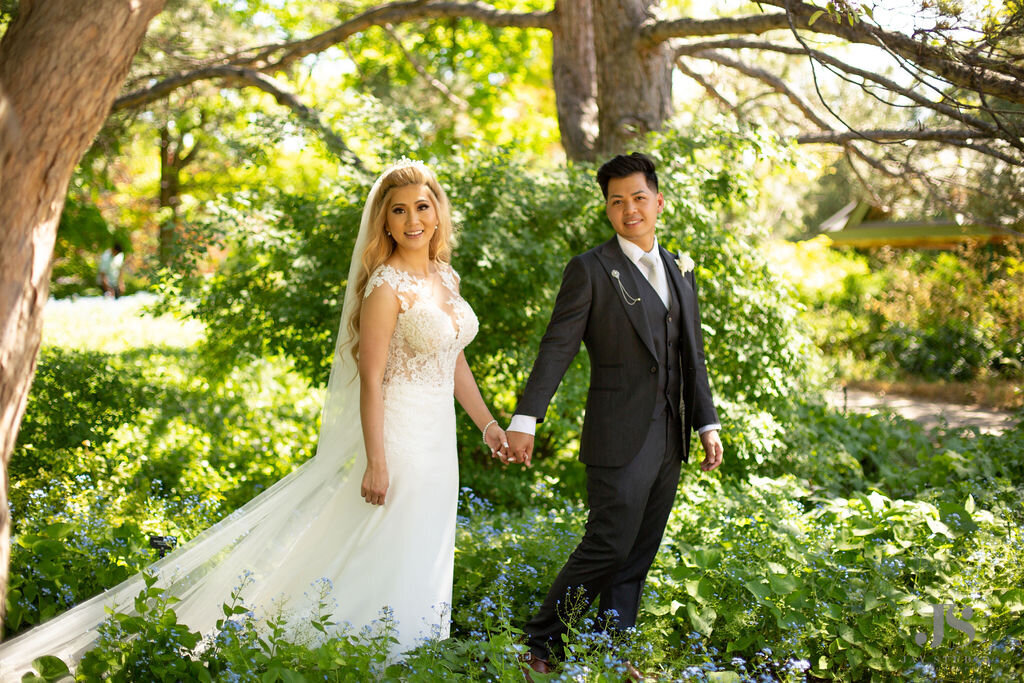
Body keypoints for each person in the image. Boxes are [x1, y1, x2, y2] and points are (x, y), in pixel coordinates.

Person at [0, 160, 509, 677]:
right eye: (398, 211)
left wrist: (488, 425)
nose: (412, 220)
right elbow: (372, 380)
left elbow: (453, 361)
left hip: (439, 444)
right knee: (381, 542)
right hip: (397, 438)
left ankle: (415, 652)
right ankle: (350, 651)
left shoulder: (446, 277)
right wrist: (376, 460)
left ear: (438, 213)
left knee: (422, 542)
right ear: (384, 221)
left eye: (422, 207)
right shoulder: (385, 286)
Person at [506, 152, 724, 680]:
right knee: (607, 544)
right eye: (617, 201)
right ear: (607, 209)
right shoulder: (590, 269)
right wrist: (525, 418)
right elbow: (556, 347)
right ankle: (539, 644)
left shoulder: (678, 267)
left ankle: (615, 655)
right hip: (617, 435)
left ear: (659, 201)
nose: (629, 210)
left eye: (638, 198)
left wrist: (706, 422)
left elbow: (690, 353)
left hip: (671, 435)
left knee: (638, 555)